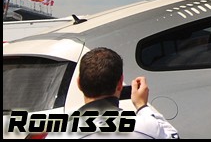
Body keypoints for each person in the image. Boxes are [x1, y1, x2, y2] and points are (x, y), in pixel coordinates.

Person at [49, 47, 179, 139]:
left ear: (79, 83)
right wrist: (142, 106)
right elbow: (173, 135)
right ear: (120, 83)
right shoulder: (147, 127)